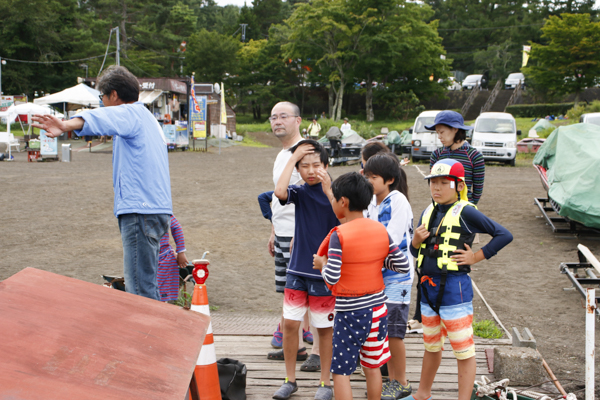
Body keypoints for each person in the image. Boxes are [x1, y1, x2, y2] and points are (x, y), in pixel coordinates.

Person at [31, 66, 172, 301]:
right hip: (157, 210)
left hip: (141, 211)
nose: (103, 103)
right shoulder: (149, 120)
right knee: (147, 285)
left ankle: (149, 339)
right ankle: (159, 336)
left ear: (114, 95)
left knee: (139, 293)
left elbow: (105, 117)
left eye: (102, 98)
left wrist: (66, 125)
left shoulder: (130, 113)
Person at [405, 159, 512, 400]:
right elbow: (415, 253)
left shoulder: (466, 211)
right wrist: (415, 242)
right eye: (433, 182)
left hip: (455, 289)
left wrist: (475, 257)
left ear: (459, 186)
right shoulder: (427, 211)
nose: (437, 187)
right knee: (431, 346)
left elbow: (504, 234)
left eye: (444, 182)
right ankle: (422, 394)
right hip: (427, 290)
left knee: (463, 349)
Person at [313, 172, 410, 400]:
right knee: (372, 366)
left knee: (341, 371)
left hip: (350, 312)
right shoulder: (380, 230)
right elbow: (402, 264)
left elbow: (333, 277)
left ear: (343, 202)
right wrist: (376, 260)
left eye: (334, 198)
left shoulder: (339, 235)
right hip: (378, 310)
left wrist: (322, 265)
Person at [272, 139, 339, 400]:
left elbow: (344, 217)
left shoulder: (337, 190)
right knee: (290, 324)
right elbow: (279, 192)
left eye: (316, 165)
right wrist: (292, 158)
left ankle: (325, 383)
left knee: (324, 329)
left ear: (326, 165)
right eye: (304, 166)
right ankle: (290, 380)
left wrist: (329, 189)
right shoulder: (299, 191)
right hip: (297, 270)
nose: (310, 171)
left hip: (324, 271)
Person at [407, 110, 485, 334]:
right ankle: (421, 316)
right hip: (436, 215)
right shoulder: (437, 154)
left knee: (454, 266)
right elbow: (434, 190)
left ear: (456, 130)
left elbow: (476, 191)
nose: (439, 136)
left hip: (463, 217)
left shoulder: (474, 156)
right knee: (426, 260)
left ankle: (456, 317)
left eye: (442, 131)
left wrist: (460, 213)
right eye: (437, 132)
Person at [266, 101, 317, 373]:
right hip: (283, 232)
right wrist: (273, 230)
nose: (277, 121)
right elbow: (279, 195)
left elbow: (314, 195)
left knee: (310, 293)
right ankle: (294, 345)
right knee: (288, 292)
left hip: (302, 235)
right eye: (273, 117)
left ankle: (317, 353)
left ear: (298, 120)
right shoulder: (281, 154)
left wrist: (302, 233)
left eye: (283, 116)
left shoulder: (307, 151)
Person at [363, 154, 413, 399]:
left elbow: (389, 238)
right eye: (367, 176)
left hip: (398, 276)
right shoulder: (372, 201)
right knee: (384, 329)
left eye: (374, 177)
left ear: (390, 179)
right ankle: (392, 380)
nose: (369, 180)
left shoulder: (397, 200)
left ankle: (401, 381)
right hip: (379, 274)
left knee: (394, 331)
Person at [157, 215, 188, 302]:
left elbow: (176, 227)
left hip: (163, 258)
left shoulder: (161, 210)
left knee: (160, 297)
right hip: (144, 259)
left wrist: (181, 252)